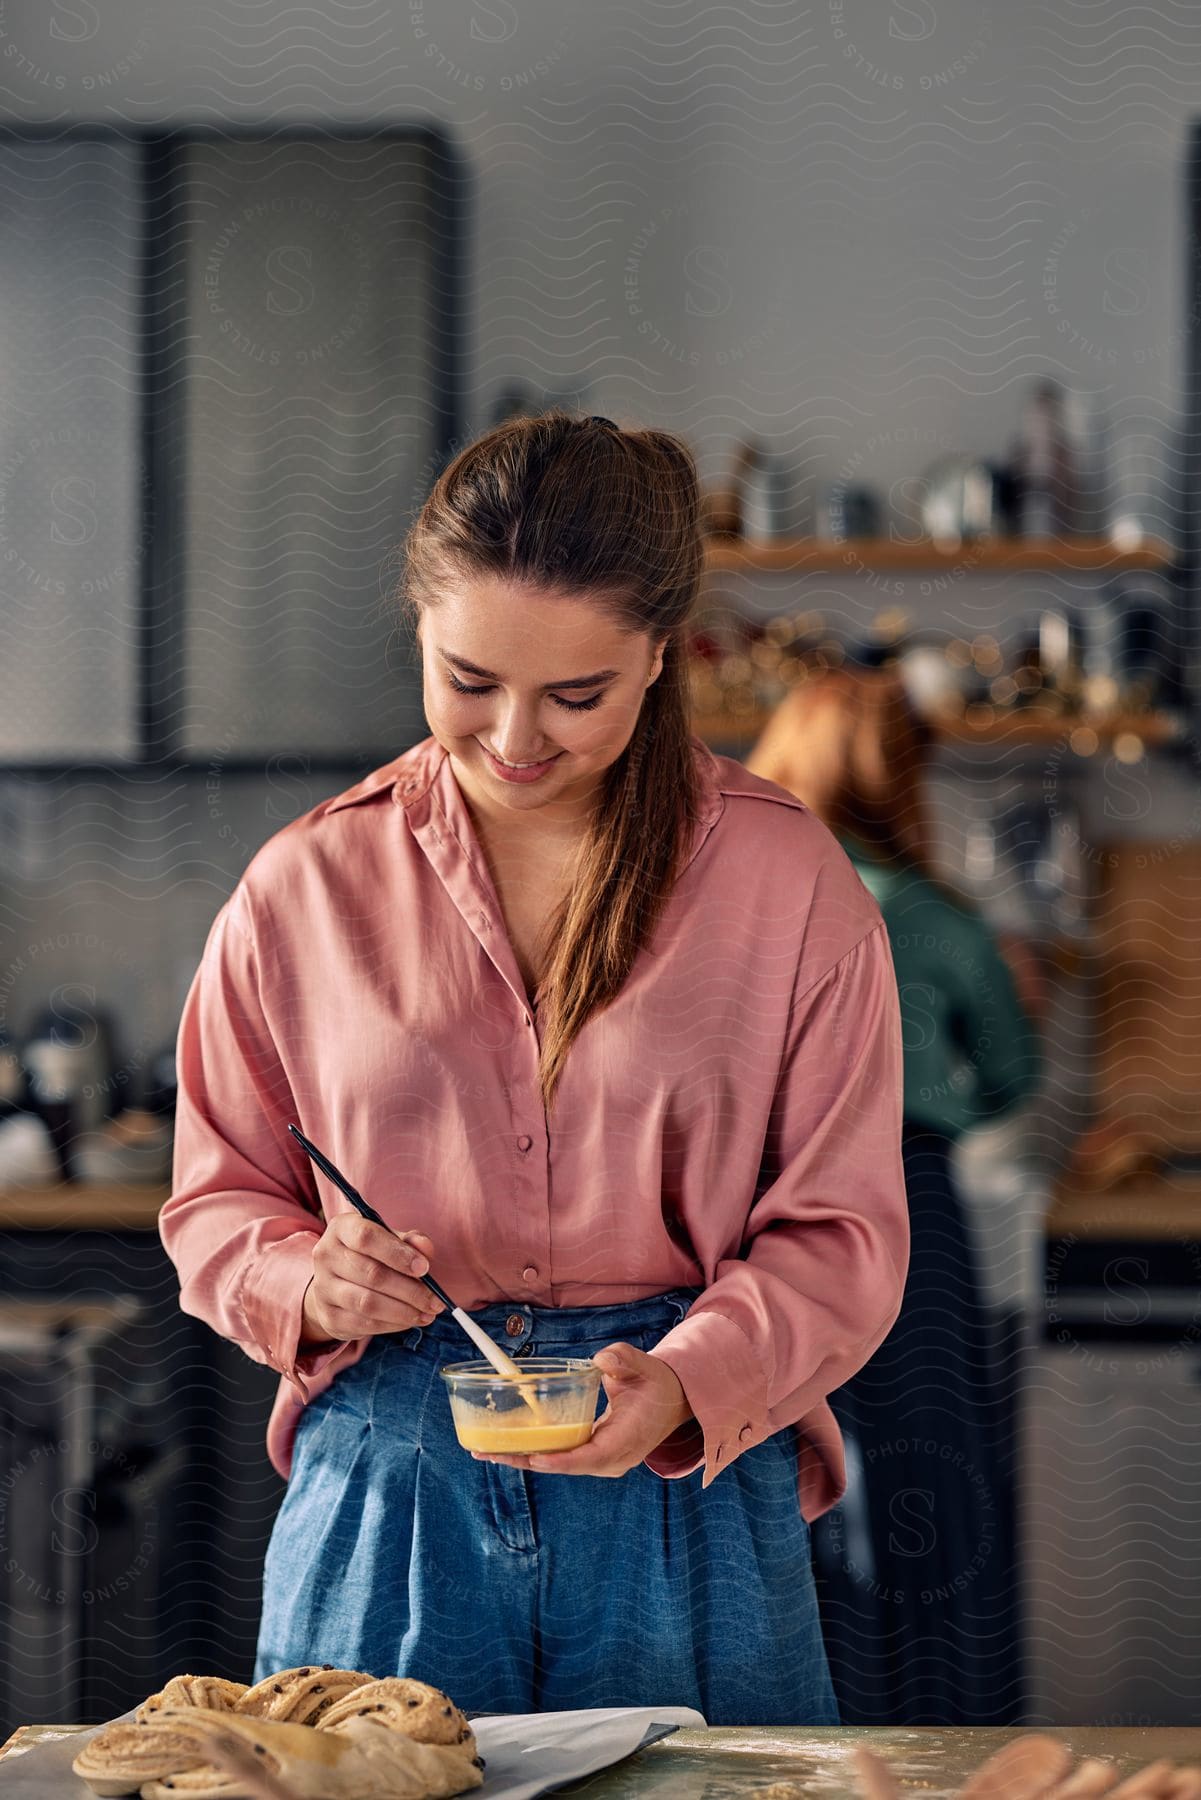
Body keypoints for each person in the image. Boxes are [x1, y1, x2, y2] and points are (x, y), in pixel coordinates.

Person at [160, 412, 909, 1725]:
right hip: (390, 1486)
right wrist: (308, 1278)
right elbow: (215, 1207)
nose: (513, 740)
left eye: (578, 696)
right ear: (420, 633)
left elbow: (843, 1238)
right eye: (467, 680)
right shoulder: (303, 884)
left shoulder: (790, 883)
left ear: (659, 658)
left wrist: (684, 1379)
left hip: (680, 1488)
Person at [745, 666, 1043, 1725]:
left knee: (788, 1472)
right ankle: (946, 1738)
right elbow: (1014, 1078)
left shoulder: (733, 910)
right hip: (909, 1210)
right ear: (903, 778)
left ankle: (813, 1736)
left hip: (757, 1215)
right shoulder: (942, 924)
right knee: (929, 1486)